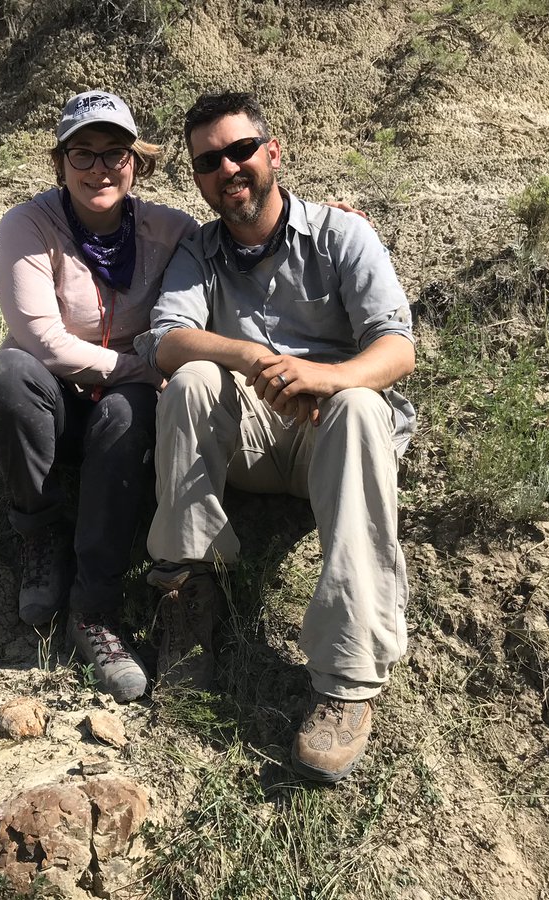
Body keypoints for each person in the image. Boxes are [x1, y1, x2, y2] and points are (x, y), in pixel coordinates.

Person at [134, 91, 416, 782]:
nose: (228, 168)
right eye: (209, 161)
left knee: (359, 404)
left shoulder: (343, 236)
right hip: (252, 439)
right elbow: (166, 341)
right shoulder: (198, 252)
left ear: (272, 153)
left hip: (330, 432)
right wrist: (247, 356)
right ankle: (189, 594)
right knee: (194, 378)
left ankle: (346, 683)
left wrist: (329, 377)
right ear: (198, 179)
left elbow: (397, 346)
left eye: (240, 151)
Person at [0, 91, 197, 703]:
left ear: (137, 162)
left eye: (114, 153)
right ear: (60, 162)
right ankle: (40, 531)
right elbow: (42, 340)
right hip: (57, 403)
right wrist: (135, 367)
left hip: (127, 410)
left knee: (126, 412)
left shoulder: (170, 229)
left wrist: (325, 219)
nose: (99, 168)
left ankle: (93, 610)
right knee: (6, 373)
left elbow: (237, 249)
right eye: (83, 153)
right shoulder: (29, 225)